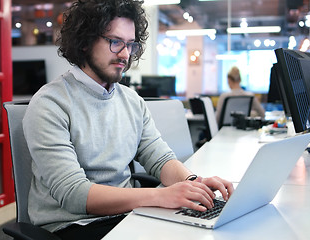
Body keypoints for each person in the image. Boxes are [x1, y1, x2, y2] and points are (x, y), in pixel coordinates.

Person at [22, 0, 233, 239]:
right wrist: (160, 196)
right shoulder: (50, 104)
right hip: (73, 226)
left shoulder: (131, 101)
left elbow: (160, 158)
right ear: (85, 41)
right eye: (115, 42)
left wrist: (194, 183)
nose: (125, 54)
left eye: (130, 44)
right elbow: (74, 195)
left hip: (127, 215)